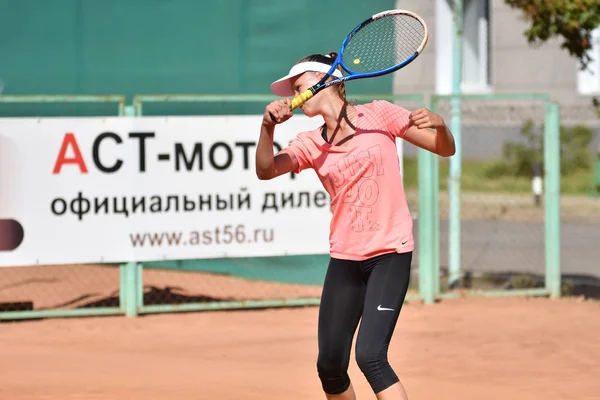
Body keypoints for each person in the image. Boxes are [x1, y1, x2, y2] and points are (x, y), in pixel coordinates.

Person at [255, 52, 455, 400]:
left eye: (298, 86)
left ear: (324, 80)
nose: (293, 95)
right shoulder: (310, 142)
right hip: (346, 259)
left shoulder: (380, 114)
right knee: (330, 366)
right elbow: (265, 169)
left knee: (370, 356)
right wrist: (267, 126)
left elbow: (443, 149)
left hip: (389, 254)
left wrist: (440, 124)